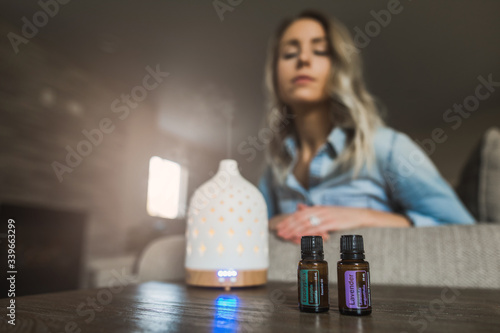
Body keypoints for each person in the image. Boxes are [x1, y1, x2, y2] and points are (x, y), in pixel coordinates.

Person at [257, 10, 475, 244]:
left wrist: (360, 217)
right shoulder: (274, 168)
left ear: (340, 67)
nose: (303, 60)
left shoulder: (387, 147)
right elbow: (247, 230)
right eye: (290, 53)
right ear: (275, 73)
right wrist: (276, 222)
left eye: (320, 51)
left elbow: (463, 228)